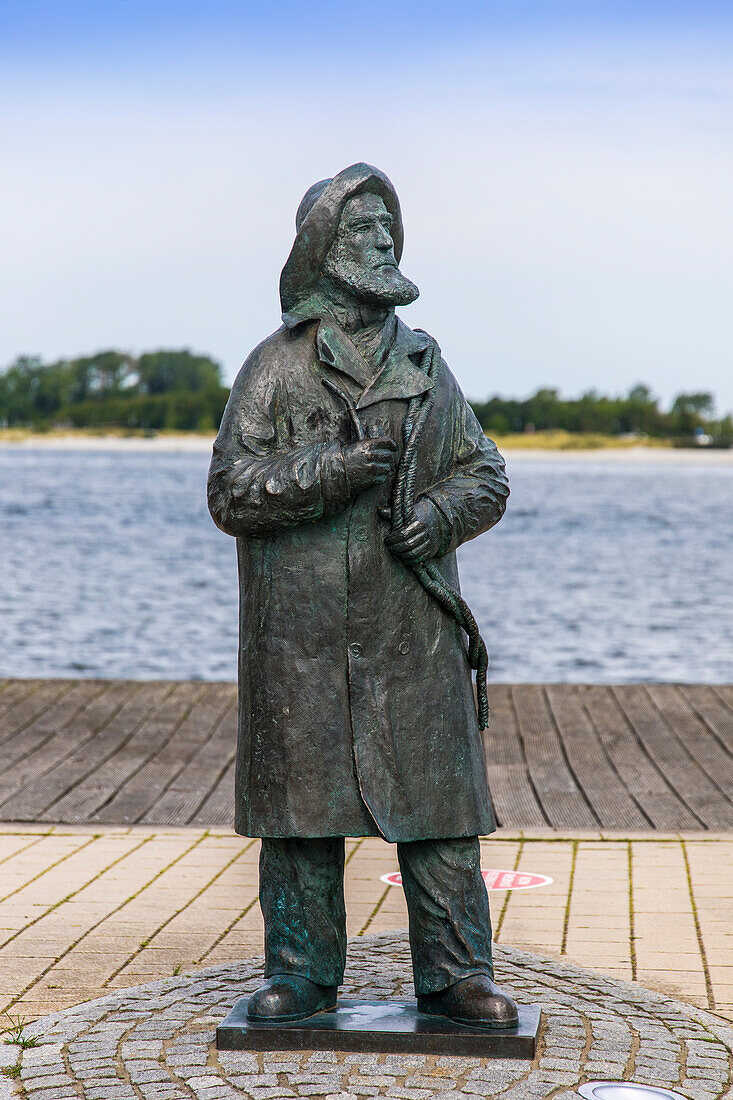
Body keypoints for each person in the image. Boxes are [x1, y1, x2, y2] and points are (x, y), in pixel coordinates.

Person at [208, 163, 516, 1027]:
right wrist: (331, 471)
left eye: (389, 227)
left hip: (408, 628)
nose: (385, 241)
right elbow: (230, 491)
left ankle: (457, 974)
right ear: (322, 251)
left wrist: (438, 513)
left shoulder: (425, 364)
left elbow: (485, 474)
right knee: (301, 814)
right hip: (298, 635)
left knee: (438, 811)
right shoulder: (275, 368)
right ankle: (302, 973)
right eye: (364, 229)